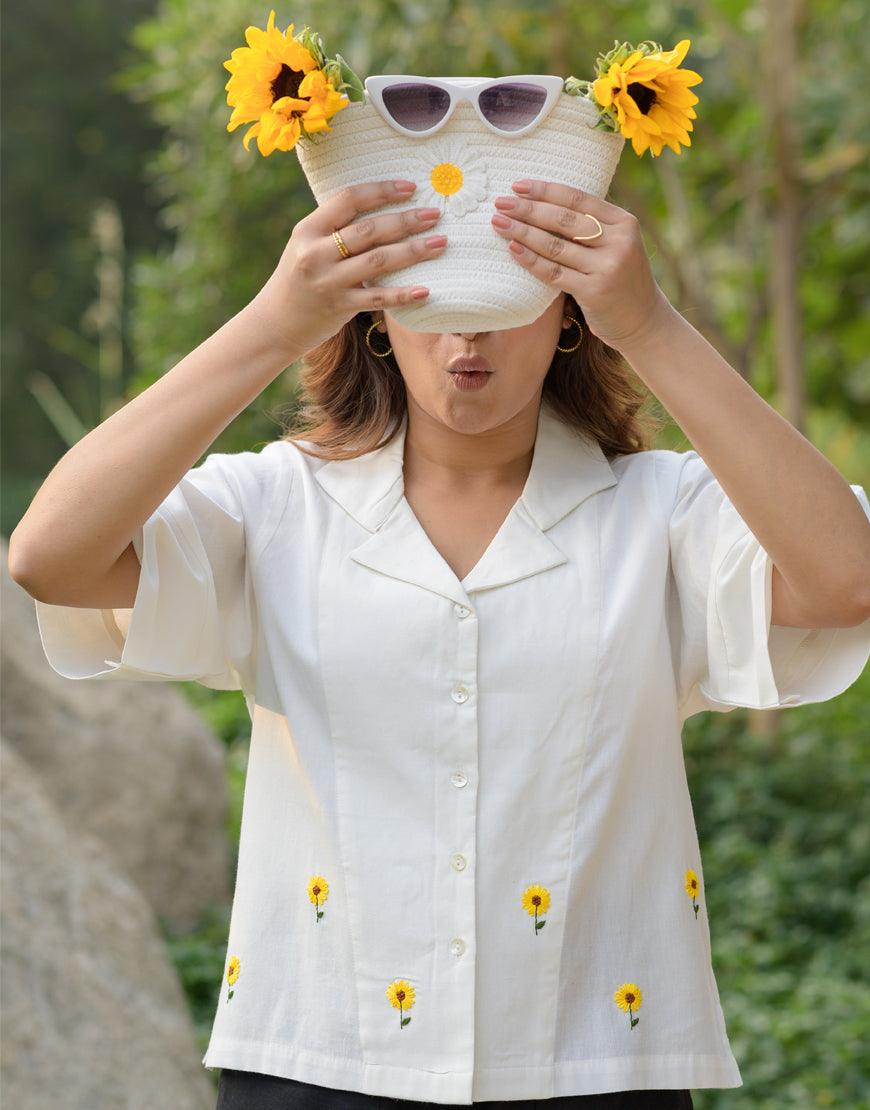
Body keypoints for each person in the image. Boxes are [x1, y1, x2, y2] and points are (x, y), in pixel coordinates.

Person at [9, 174, 870, 1110]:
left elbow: (846, 582)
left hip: (597, 1062)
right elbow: (49, 558)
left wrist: (654, 325)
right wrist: (272, 324)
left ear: (567, 317)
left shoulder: (662, 514)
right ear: (377, 316)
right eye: (436, 295)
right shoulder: (273, 507)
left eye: (500, 299)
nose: (470, 336)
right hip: (319, 1059)